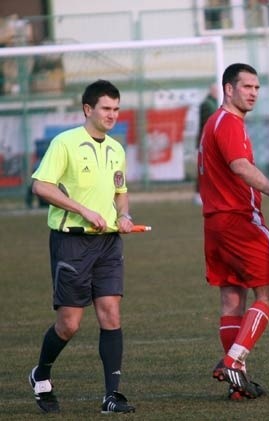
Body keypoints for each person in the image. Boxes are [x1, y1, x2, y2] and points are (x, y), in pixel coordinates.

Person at [198, 63, 269, 400]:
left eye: (257, 87)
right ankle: (234, 359)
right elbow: (240, 167)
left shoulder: (214, 122)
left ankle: (237, 384)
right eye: (246, 86)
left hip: (215, 224)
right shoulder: (228, 122)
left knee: (233, 298)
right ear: (228, 89)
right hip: (239, 222)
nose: (253, 93)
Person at [28, 79, 136, 414]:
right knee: (70, 324)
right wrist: (83, 209)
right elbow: (40, 186)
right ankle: (41, 375)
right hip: (72, 241)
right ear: (88, 109)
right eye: (106, 108)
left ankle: (111, 396)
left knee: (111, 314)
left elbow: (120, 191)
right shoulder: (65, 143)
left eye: (116, 109)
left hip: (108, 244)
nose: (112, 115)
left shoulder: (117, 149)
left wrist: (125, 214)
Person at [194, 83, 219, 206]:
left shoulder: (214, 103)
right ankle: (199, 195)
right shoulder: (207, 104)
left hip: (213, 143)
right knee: (204, 169)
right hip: (205, 142)